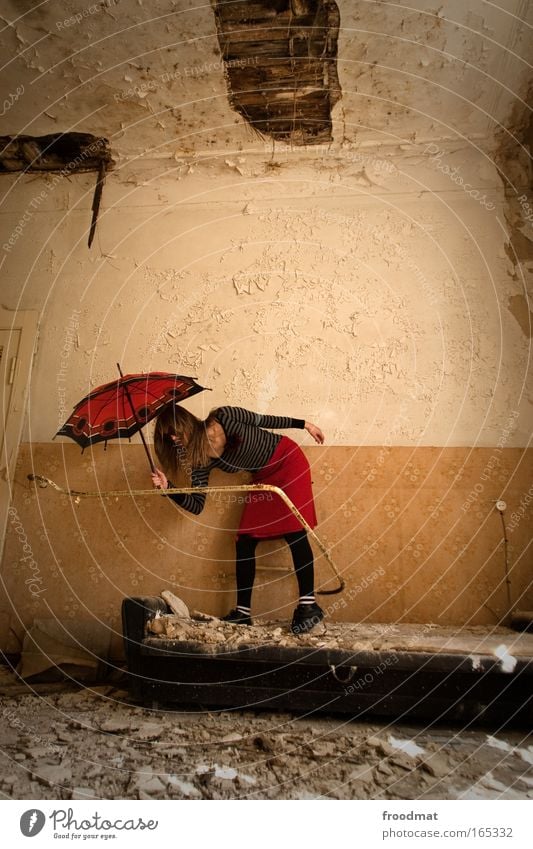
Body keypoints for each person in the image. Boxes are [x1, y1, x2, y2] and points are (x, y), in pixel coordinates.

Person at [151, 405, 325, 634]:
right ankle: (242, 614)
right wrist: (168, 488)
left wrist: (305, 424)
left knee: (295, 532)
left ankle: (308, 607)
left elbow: (265, 420)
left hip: (289, 460)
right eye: (168, 437)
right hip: (263, 477)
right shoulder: (199, 460)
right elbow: (196, 505)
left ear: (187, 422)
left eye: (175, 431)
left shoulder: (225, 416)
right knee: (245, 540)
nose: (174, 439)